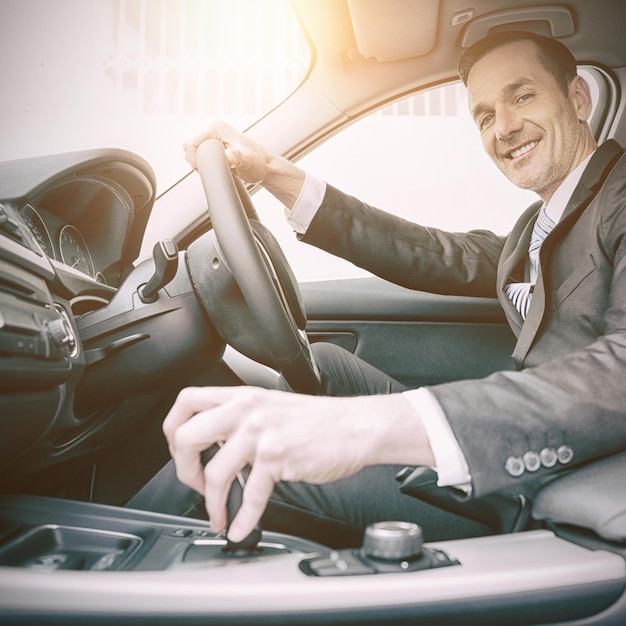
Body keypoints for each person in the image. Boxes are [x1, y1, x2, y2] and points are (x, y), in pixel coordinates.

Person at [158, 31, 626, 546]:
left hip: (559, 481)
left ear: (578, 97)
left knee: (221, 461)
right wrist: (271, 172)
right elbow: (426, 253)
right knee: (326, 366)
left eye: (523, 96)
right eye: (486, 116)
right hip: (526, 455)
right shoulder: (535, 226)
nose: (506, 128)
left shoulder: (620, 197)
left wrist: (371, 429)